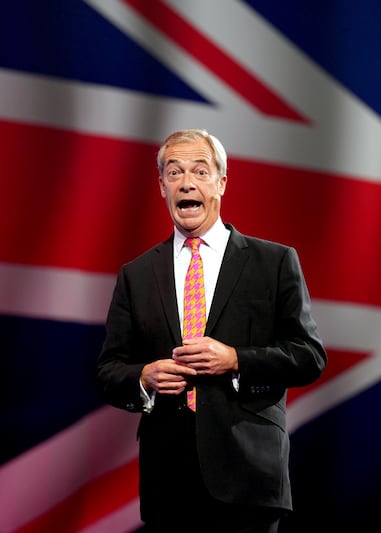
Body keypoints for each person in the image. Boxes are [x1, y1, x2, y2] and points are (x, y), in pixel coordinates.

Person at [95, 128, 327, 532]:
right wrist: (144, 377)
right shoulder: (137, 275)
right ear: (162, 187)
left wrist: (236, 360)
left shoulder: (272, 262)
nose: (187, 182)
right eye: (175, 172)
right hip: (168, 484)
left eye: (200, 171)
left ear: (221, 182)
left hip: (249, 480)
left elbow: (309, 356)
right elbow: (109, 370)